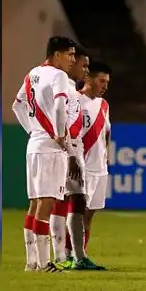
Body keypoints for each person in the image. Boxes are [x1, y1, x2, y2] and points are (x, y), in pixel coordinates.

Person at [12, 36, 77, 272]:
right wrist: (59, 134)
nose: (72, 59)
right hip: (50, 147)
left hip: (35, 144)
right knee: (47, 202)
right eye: (69, 54)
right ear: (56, 54)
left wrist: (33, 130)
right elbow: (60, 106)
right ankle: (43, 263)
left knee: (35, 203)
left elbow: (17, 105)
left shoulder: (33, 74)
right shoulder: (58, 76)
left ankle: (32, 263)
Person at [51, 45, 105, 270]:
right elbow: (66, 126)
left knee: (75, 203)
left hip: (73, 150)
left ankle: (72, 256)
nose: (83, 68)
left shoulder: (70, 89)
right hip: (67, 150)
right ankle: (63, 256)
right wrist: (71, 154)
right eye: (82, 64)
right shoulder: (68, 91)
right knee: (62, 202)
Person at [79, 60, 112, 257]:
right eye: (101, 81)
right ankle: (69, 253)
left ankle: (81, 253)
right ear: (88, 79)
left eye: (107, 82)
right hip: (82, 168)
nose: (105, 86)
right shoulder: (75, 101)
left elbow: (107, 133)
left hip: (99, 168)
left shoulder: (104, 105)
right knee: (76, 214)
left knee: (90, 214)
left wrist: (106, 155)